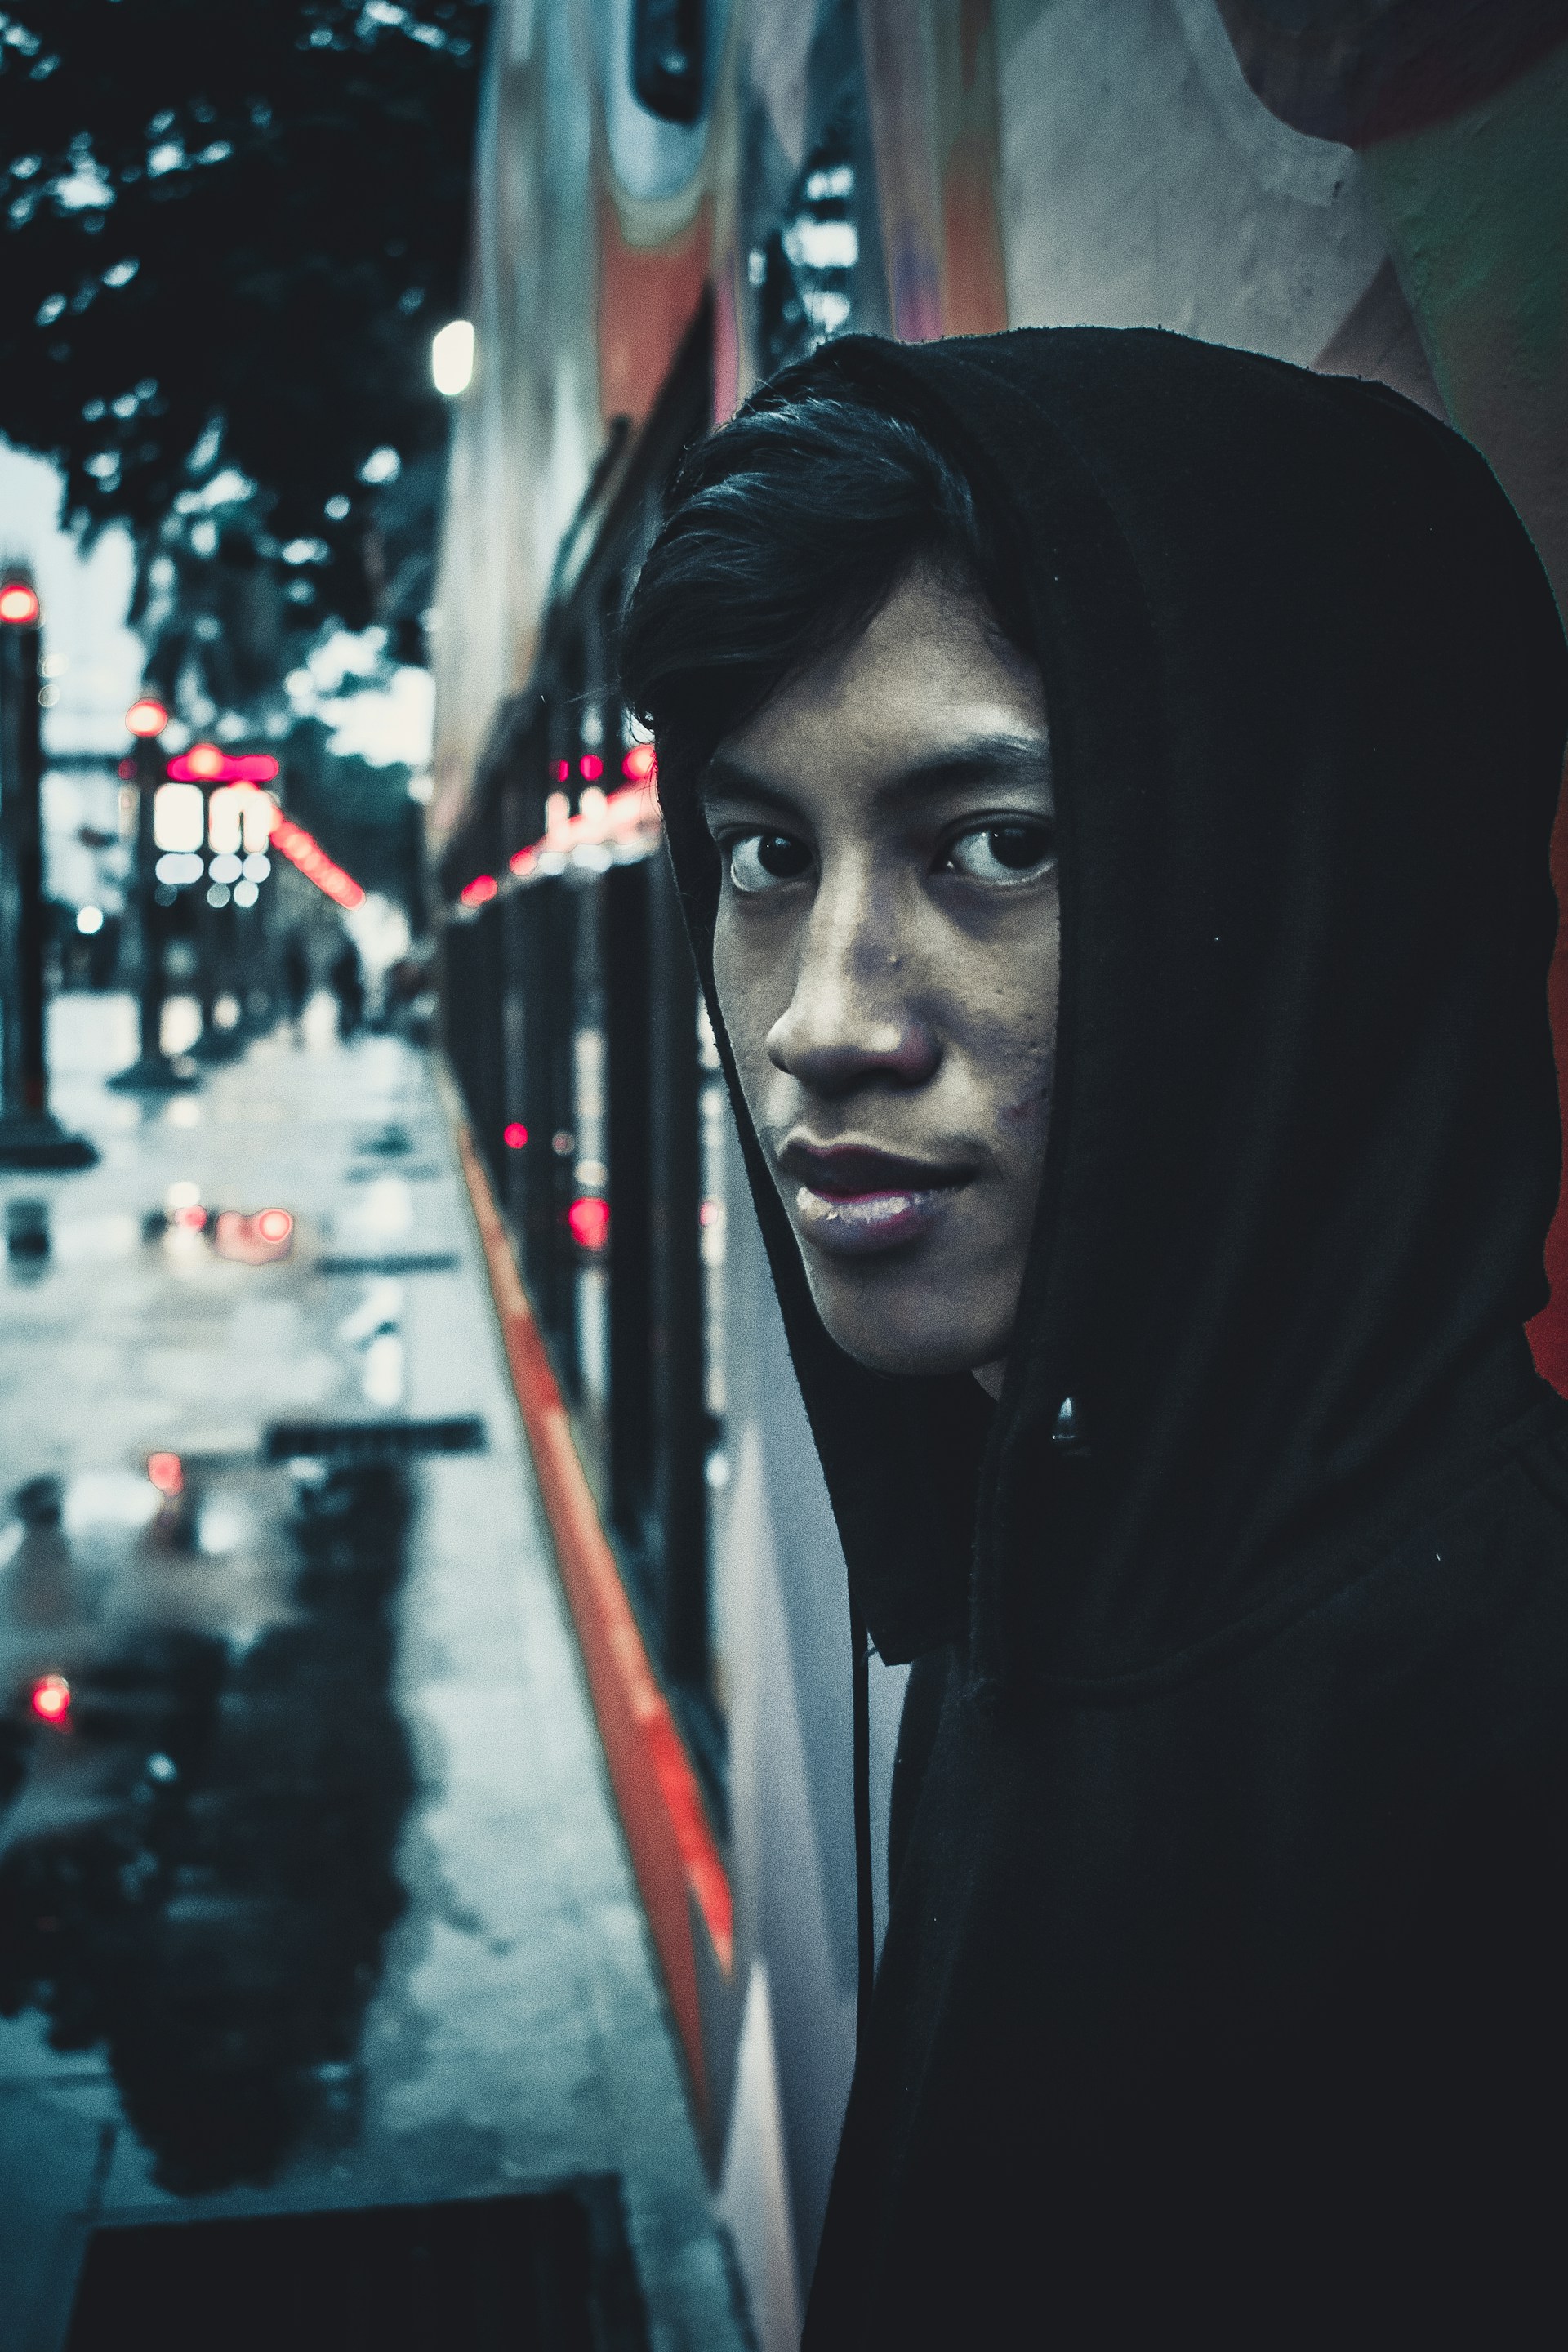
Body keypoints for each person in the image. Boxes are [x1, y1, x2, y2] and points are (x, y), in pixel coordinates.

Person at [621, 328, 1568, 2343]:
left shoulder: (1507, 1760)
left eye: (996, 844)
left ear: (1304, 893)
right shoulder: (1037, 1577)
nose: (819, 1018)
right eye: (766, 855)